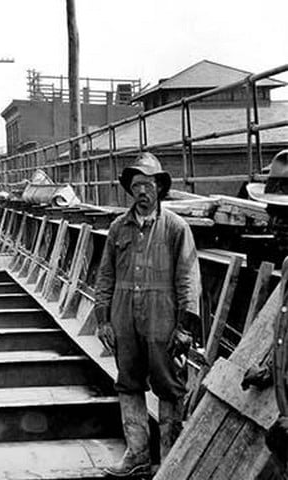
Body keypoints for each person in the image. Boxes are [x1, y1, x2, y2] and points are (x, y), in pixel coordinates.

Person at [94, 152, 201, 477]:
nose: (142, 191)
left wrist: (185, 327)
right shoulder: (118, 228)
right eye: (136, 185)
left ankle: (170, 462)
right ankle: (137, 456)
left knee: (169, 386)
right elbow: (105, 276)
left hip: (162, 321)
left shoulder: (176, 228)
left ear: (160, 188)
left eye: (148, 185)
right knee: (128, 383)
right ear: (130, 189)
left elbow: (188, 279)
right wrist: (103, 320)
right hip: (124, 319)